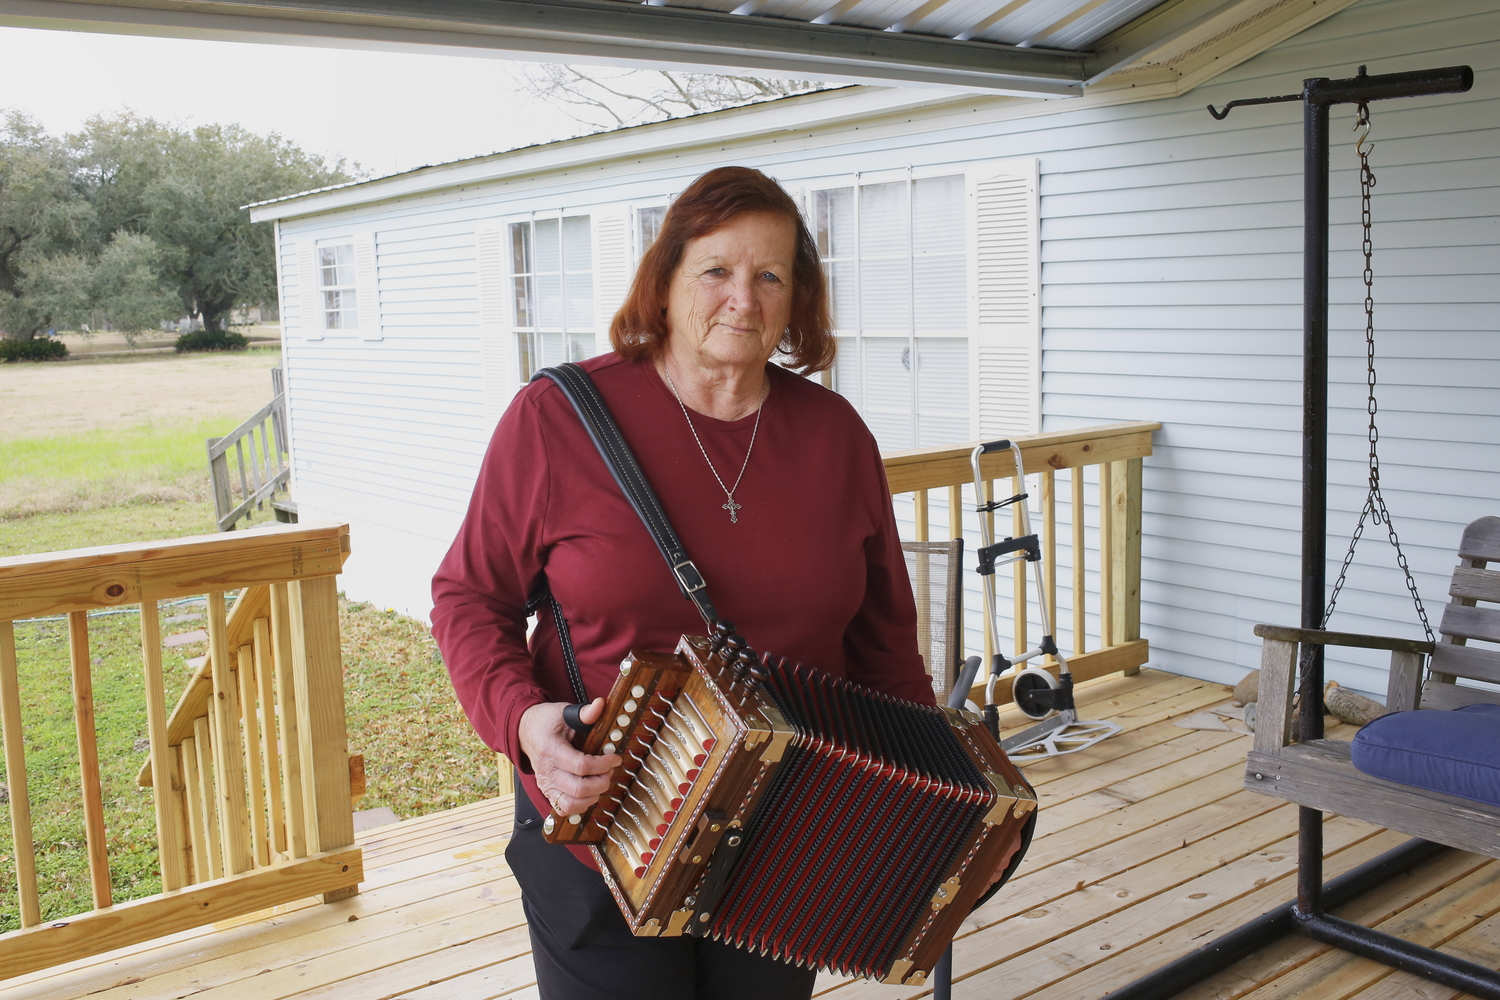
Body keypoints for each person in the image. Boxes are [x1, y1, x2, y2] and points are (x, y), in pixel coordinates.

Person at [430, 165, 938, 1000]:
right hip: (605, 830)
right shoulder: (557, 419)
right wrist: (523, 725)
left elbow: (883, 647)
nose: (744, 296)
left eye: (771, 275)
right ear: (664, 283)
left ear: (796, 299)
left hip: (786, 829)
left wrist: (920, 807)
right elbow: (469, 598)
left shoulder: (837, 437)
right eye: (716, 270)